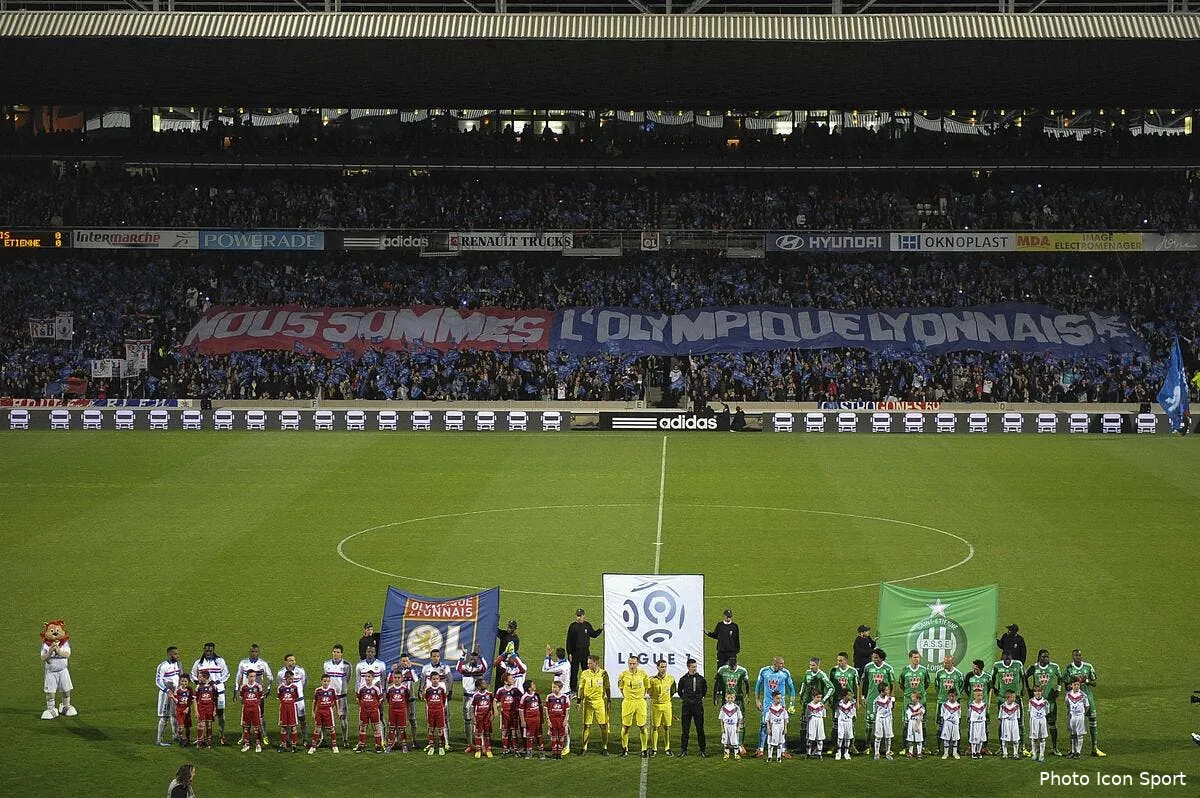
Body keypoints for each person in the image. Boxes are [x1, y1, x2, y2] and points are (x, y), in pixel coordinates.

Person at [1064, 648, 1105, 756]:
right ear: (1072, 657)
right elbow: (1066, 685)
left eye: (1079, 655)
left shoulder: (1088, 667)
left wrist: (1086, 681)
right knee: (1072, 726)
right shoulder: (1069, 668)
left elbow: (1094, 682)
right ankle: (1073, 750)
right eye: (1075, 655)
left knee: (1093, 720)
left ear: (1081, 656)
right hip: (1074, 700)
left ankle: (1095, 748)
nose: (1077, 657)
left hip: (1088, 697)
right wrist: (1075, 683)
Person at [753, 656, 796, 758]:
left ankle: (783, 750)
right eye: (781, 663)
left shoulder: (785, 673)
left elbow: (792, 689)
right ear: (775, 663)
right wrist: (757, 700)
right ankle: (761, 749)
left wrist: (792, 705)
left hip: (781, 704)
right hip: (767, 704)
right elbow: (758, 686)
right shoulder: (764, 671)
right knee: (764, 724)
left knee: (782, 725)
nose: (783, 665)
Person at [1024, 648, 1064, 757]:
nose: (1046, 659)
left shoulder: (1054, 667)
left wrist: (1058, 689)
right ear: (1039, 657)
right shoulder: (1033, 667)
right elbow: (1025, 676)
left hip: (1050, 702)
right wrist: (1028, 690)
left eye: (1047, 656)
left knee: (1052, 725)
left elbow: (1061, 677)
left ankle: (1055, 748)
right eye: (1043, 657)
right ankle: (1035, 748)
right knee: (1036, 726)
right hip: (1036, 703)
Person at [191, 643, 229, 746]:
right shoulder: (198, 663)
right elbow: (192, 675)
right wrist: (199, 683)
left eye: (210, 651)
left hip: (219, 692)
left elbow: (226, 674)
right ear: (204, 650)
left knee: (220, 714)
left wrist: (216, 682)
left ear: (213, 650)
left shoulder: (220, 661)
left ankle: (222, 736)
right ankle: (201, 738)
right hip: (203, 694)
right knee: (202, 716)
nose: (208, 653)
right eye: (207, 651)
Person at [234, 645, 272, 746]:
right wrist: (236, 689)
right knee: (245, 716)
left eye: (256, 652)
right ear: (249, 652)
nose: (254, 653)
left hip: (257, 694)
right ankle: (244, 737)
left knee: (261, 715)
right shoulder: (243, 663)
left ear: (258, 652)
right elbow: (239, 675)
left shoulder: (263, 663)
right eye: (252, 651)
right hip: (246, 693)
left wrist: (268, 689)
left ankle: (264, 735)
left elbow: (270, 677)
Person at [714, 655, 751, 754]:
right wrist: (716, 696)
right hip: (726, 700)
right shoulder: (722, 670)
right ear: (728, 664)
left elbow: (747, 684)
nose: (732, 669)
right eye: (730, 667)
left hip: (738, 699)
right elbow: (717, 683)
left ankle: (740, 744)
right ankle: (727, 744)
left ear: (736, 664)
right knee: (726, 721)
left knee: (740, 721)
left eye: (733, 667)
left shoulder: (742, 671)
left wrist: (747, 695)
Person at [862, 648, 895, 756]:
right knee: (869, 723)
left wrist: (892, 698)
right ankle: (868, 746)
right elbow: (864, 682)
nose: (873, 659)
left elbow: (892, 683)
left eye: (876, 657)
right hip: (871, 699)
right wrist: (863, 696)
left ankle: (885, 747)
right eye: (872, 657)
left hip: (884, 700)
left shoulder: (888, 668)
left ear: (881, 658)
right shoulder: (868, 667)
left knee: (886, 723)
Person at [991, 650, 1025, 755]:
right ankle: (1002, 747)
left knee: (1020, 723)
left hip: (1017, 698)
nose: (1007, 659)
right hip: (1002, 699)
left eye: (1008, 657)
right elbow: (991, 677)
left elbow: (1023, 677)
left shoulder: (1018, 664)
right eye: (1005, 657)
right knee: (1002, 722)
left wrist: (1023, 689)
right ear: (1002, 657)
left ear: (1011, 657)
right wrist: (994, 688)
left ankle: (1021, 747)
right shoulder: (997, 665)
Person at [617, 655, 652, 758]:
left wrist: (639, 696)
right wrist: (628, 697)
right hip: (628, 702)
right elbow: (621, 688)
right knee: (626, 727)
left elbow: (647, 687)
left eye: (634, 664)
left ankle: (644, 749)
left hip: (640, 702)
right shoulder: (623, 675)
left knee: (642, 726)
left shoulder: (643, 674)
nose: (632, 666)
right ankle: (624, 748)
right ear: (628, 664)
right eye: (630, 664)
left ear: (637, 664)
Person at [576, 655, 611, 755]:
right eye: (588, 663)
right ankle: (584, 748)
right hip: (588, 703)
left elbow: (607, 687)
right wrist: (579, 701)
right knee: (586, 726)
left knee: (603, 726)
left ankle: (604, 747)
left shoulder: (603, 673)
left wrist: (609, 700)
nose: (588, 665)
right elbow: (581, 688)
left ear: (596, 663)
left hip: (599, 702)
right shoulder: (584, 673)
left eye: (590, 663)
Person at [799, 656, 833, 755]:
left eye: (813, 665)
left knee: (815, 726)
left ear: (818, 665)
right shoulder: (807, 673)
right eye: (810, 665)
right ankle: (803, 746)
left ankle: (814, 747)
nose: (811, 667)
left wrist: (823, 700)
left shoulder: (821, 675)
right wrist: (801, 694)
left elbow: (831, 687)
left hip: (816, 706)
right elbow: (804, 683)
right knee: (803, 724)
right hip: (806, 703)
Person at [420, 649, 454, 749]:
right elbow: (422, 680)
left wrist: (450, 691)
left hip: (442, 696)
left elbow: (450, 679)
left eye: (437, 656)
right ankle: (431, 742)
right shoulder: (426, 667)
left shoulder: (445, 667)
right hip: (430, 697)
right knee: (430, 720)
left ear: (440, 657)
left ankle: (446, 742)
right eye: (434, 656)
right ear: (430, 657)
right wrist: (420, 690)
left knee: (445, 718)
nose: (436, 658)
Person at [456, 648, 488, 752]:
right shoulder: (464, 667)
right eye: (472, 658)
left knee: (479, 722)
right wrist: (462, 655)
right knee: (467, 721)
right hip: (467, 697)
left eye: (475, 658)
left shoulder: (480, 668)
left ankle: (482, 744)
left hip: (477, 698)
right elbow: (458, 668)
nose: (473, 660)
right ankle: (470, 744)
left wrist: (481, 656)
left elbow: (485, 667)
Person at [565, 609, 603, 695]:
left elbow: (593, 634)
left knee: (586, 670)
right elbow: (569, 641)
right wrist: (569, 653)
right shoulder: (572, 626)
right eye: (577, 616)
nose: (578, 617)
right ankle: (573, 688)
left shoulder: (587, 625)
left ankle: (588, 685)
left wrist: (600, 629)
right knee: (574, 671)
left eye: (580, 616)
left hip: (585, 652)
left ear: (583, 616)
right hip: (575, 652)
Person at [898, 650, 932, 742]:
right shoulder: (905, 670)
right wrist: (909, 694)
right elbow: (901, 684)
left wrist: (919, 695)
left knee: (923, 722)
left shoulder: (923, 670)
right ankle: (905, 746)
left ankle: (923, 746)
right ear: (910, 658)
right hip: (908, 700)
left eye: (918, 657)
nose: (917, 659)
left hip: (921, 700)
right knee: (906, 722)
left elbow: (927, 683)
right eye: (915, 657)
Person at [676, 657, 707, 758]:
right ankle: (683, 750)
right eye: (693, 667)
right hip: (687, 707)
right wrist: (686, 699)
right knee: (685, 730)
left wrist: (698, 698)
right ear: (688, 667)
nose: (695, 668)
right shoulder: (683, 679)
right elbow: (680, 691)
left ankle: (703, 750)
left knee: (700, 729)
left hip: (698, 707)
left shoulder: (701, 679)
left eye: (696, 667)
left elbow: (704, 690)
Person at [322, 644, 351, 746]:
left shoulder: (347, 665)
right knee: (325, 718)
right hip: (329, 696)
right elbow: (325, 679)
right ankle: (323, 739)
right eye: (334, 652)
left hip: (341, 696)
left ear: (342, 653)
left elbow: (347, 679)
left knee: (343, 718)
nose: (335, 654)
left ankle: (345, 739)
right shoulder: (326, 664)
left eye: (338, 652)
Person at [276, 654, 308, 743]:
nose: (292, 662)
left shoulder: (301, 671)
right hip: (288, 702)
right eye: (290, 660)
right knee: (288, 721)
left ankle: (304, 738)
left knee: (302, 719)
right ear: (285, 662)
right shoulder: (281, 673)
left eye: (293, 660)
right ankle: (288, 740)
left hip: (299, 700)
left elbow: (304, 683)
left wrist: (299, 693)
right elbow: (280, 685)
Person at [156, 646, 183, 747]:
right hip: (166, 694)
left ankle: (175, 735)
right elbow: (158, 681)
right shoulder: (163, 666)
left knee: (175, 715)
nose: (177, 656)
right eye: (175, 654)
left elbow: (181, 677)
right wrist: (167, 690)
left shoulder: (179, 664)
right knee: (165, 717)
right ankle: (159, 740)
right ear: (169, 654)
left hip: (176, 693)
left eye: (178, 653)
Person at [648, 658, 676, 757]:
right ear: (657, 667)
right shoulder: (652, 680)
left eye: (665, 667)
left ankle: (667, 748)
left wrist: (667, 699)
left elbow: (673, 690)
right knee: (655, 727)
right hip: (656, 705)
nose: (663, 669)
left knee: (667, 727)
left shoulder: (671, 678)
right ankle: (654, 749)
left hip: (667, 705)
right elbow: (649, 691)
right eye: (661, 667)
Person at [933, 655, 965, 743]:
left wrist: (956, 697)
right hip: (942, 701)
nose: (945, 664)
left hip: (955, 703)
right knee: (940, 724)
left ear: (953, 663)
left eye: (947, 663)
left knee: (955, 723)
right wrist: (940, 695)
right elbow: (936, 686)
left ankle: (955, 747)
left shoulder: (958, 674)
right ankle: (939, 747)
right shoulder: (939, 673)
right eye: (944, 662)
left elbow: (961, 687)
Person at [392, 655, 420, 750]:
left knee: (412, 720)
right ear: (400, 662)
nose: (405, 663)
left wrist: (410, 668)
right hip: (400, 700)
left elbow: (416, 679)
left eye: (406, 661)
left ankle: (414, 741)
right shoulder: (396, 672)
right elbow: (390, 683)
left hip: (410, 699)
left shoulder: (411, 671)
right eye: (403, 661)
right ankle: (397, 741)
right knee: (398, 721)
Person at [966, 659, 993, 756]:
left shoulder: (987, 677)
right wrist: (971, 698)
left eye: (976, 668)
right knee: (970, 726)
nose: (973, 670)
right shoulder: (969, 676)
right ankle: (970, 747)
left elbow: (990, 688)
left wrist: (984, 700)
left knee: (985, 727)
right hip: (972, 705)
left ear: (980, 668)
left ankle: (984, 747)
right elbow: (966, 687)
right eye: (973, 668)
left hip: (983, 706)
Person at [307, 674, 340, 754]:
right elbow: (314, 701)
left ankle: (334, 746)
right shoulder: (318, 690)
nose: (326, 683)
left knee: (331, 729)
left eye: (328, 681)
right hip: (319, 711)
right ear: (321, 681)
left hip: (328, 711)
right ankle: (313, 746)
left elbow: (336, 701)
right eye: (324, 681)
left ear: (330, 681)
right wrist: (313, 711)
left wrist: (338, 711)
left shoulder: (332, 690)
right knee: (317, 729)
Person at [494, 671, 524, 756]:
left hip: (514, 714)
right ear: (506, 682)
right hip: (504, 715)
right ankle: (505, 749)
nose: (513, 679)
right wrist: (496, 710)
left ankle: (515, 749)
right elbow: (495, 700)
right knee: (505, 732)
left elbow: (522, 699)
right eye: (511, 679)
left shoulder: (516, 690)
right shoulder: (501, 690)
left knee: (514, 732)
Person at [354, 671, 384, 754]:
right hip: (364, 711)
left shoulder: (376, 689)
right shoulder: (361, 688)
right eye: (366, 676)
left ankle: (378, 746)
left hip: (374, 711)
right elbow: (358, 699)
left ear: (373, 678)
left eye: (369, 677)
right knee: (362, 727)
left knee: (376, 728)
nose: (367, 678)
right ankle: (361, 745)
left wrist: (374, 707)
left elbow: (380, 700)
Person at [384, 670, 413, 753]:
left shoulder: (405, 688)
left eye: (398, 678)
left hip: (402, 711)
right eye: (395, 677)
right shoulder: (390, 688)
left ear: (402, 678)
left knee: (402, 728)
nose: (397, 679)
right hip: (392, 711)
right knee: (392, 728)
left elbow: (407, 700)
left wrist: (407, 711)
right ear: (393, 678)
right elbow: (388, 699)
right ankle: (390, 745)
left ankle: (404, 745)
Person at [705, 609, 740, 675]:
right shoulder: (720, 625)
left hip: (731, 652)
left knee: (732, 669)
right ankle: (719, 684)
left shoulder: (734, 626)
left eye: (730, 616)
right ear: (724, 616)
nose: (729, 618)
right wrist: (708, 633)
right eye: (728, 616)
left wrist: (736, 651)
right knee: (720, 669)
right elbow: (716, 635)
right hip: (721, 652)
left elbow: (737, 639)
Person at [238, 670, 264, 753]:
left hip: (255, 709)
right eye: (251, 676)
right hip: (246, 709)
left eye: (254, 676)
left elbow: (260, 698)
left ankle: (258, 744)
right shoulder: (243, 687)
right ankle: (246, 744)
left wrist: (255, 704)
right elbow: (241, 698)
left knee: (257, 727)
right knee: (246, 727)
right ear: (247, 677)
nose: (253, 678)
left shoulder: (258, 686)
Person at [519, 679, 546, 759]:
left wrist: (542, 718)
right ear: (529, 688)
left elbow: (540, 707)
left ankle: (541, 752)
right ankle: (529, 752)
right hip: (529, 720)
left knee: (539, 736)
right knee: (529, 736)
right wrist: (523, 721)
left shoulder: (537, 695)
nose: (535, 685)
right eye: (533, 684)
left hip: (537, 719)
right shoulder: (524, 697)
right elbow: (521, 710)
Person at [423, 670, 448, 756]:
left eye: (437, 679)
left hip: (439, 711)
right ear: (430, 679)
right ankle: (432, 746)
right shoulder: (428, 690)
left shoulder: (441, 689)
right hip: (431, 711)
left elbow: (444, 700)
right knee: (431, 729)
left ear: (439, 679)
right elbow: (426, 699)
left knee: (440, 729)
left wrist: (440, 707)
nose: (435, 680)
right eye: (434, 679)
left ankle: (441, 747)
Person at [468, 677, 494, 758]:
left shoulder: (489, 694)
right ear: (478, 687)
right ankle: (478, 750)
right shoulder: (476, 696)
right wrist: (473, 718)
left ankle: (488, 749)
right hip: (479, 717)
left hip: (487, 717)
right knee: (478, 734)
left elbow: (492, 705)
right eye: (483, 683)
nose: (485, 684)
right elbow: (472, 707)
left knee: (487, 733)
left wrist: (492, 714)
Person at [1064, 679, 1090, 759]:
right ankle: (1072, 751)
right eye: (1074, 685)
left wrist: (1082, 714)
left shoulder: (1083, 695)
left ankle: (1078, 752)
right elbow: (1067, 704)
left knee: (1079, 734)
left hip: (1080, 716)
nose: (1076, 686)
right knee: (1072, 734)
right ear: (1071, 685)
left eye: (1078, 685)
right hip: (1072, 716)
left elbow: (1087, 706)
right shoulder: (1068, 694)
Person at [545, 679, 571, 759]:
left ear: (560, 688)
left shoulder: (564, 697)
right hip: (553, 720)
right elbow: (546, 709)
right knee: (553, 736)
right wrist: (548, 720)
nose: (553, 689)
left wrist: (565, 720)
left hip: (561, 719)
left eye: (555, 687)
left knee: (561, 736)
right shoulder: (549, 697)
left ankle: (559, 753)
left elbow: (567, 710)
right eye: (552, 687)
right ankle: (554, 753)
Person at [276, 673, 301, 753]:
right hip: (283, 709)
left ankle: (294, 745)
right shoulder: (281, 688)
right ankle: (283, 745)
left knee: (293, 727)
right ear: (285, 678)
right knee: (283, 728)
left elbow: (296, 697)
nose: (292, 680)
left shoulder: (294, 687)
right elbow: (279, 698)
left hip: (292, 709)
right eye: (290, 679)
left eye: (292, 679)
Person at [194, 670, 218, 749]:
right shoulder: (198, 687)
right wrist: (196, 711)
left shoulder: (213, 686)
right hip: (201, 708)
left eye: (200, 676)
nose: (199, 678)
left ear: (205, 677)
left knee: (209, 725)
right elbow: (195, 699)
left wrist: (215, 710)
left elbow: (215, 699)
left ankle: (209, 741)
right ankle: (199, 741)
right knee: (201, 725)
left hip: (210, 708)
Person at [872, 684, 895, 760]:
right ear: (882, 691)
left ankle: (888, 753)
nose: (888, 691)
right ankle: (876, 753)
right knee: (878, 737)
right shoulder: (876, 700)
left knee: (888, 737)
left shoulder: (889, 699)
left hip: (887, 719)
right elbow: (875, 711)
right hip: (879, 719)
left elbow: (890, 709)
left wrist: (891, 719)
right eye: (887, 690)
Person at [718, 692, 744, 760]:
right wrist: (722, 728)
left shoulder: (736, 707)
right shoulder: (723, 707)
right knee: (726, 741)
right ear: (726, 698)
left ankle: (736, 754)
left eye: (731, 698)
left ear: (734, 698)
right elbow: (721, 719)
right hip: (726, 726)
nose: (730, 699)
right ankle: (726, 754)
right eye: (728, 698)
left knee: (735, 741)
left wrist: (738, 727)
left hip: (733, 726)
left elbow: (740, 718)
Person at [766, 692, 790, 762]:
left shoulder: (782, 708)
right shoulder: (770, 709)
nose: (779, 700)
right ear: (773, 698)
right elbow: (767, 720)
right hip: (773, 727)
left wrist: (785, 728)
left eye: (780, 698)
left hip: (781, 727)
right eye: (777, 698)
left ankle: (778, 757)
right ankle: (769, 757)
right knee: (770, 743)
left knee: (780, 742)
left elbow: (785, 719)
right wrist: (768, 728)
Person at [172, 674, 195, 749]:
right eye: (182, 681)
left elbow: (192, 700)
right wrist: (172, 697)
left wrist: (188, 707)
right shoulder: (177, 690)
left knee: (187, 727)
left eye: (185, 681)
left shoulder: (190, 690)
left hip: (187, 711)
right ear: (180, 681)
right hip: (180, 711)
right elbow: (177, 701)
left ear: (188, 682)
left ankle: (187, 740)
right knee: (180, 727)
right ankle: (181, 739)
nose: (184, 683)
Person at [833, 688, 856, 760]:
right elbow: (836, 713)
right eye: (848, 695)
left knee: (848, 737)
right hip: (841, 722)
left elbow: (853, 713)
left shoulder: (851, 704)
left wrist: (853, 718)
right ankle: (838, 752)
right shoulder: (839, 704)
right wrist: (836, 719)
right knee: (840, 737)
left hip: (848, 722)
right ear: (844, 696)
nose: (850, 697)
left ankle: (846, 752)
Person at [999, 689, 1022, 759]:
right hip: (1006, 723)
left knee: (1015, 739)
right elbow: (1000, 717)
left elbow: (1018, 716)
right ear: (1007, 698)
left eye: (1014, 697)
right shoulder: (1003, 706)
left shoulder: (1017, 706)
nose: (1014, 699)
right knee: (1004, 739)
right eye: (1012, 697)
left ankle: (1015, 753)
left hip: (1014, 723)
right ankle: (1005, 753)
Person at [1028, 685, 1049, 762]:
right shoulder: (1031, 701)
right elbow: (1029, 711)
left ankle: (1041, 754)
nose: (1038, 693)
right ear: (1034, 692)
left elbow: (1047, 711)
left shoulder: (1045, 702)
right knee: (1034, 738)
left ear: (1042, 692)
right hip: (1034, 720)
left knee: (1042, 738)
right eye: (1036, 691)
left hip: (1042, 720)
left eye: (1039, 691)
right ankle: (1034, 753)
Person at [939, 688, 961, 760]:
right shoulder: (944, 705)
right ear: (948, 696)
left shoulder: (958, 705)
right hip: (947, 723)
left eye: (953, 696)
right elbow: (942, 715)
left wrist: (957, 723)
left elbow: (959, 715)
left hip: (955, 724)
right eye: (950, 696)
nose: (951, 698)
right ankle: (946, 752)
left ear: (956, 696)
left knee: (955, 738)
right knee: (946, 738)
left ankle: (955, 752)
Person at [968, 686, 988, 759]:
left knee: (981, 738)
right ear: (974, 696)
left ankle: (978, 752)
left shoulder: (984, 705)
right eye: (978, 695)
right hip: (974, 724)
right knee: (974, 738)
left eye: (981, 695)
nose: (980, 697)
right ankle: (973, 752)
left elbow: (985, 713)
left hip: (982, 723)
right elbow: (969, 714)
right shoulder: (972, 705)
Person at [804, 691, 826, 759]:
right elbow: (807, 715)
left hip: (819, 721)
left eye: (820, 697)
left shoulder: (822, 705)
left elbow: (824, 715)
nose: (819, 699)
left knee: (820, 738)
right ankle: (808, 753)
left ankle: (819, 754)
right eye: (818, 697)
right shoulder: (809, 705)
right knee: (810, 738)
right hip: (812, 721)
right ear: (813, 697)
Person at [904, 692, 926, 759]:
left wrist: (917, 725)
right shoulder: (909, 706)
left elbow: (921, 717)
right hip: (911, 723)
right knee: (910, 739)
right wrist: (918, 712)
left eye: (913, 697)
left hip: (918, 723)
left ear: (918, 699)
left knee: (919, 739)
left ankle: (919, 752)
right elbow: (909, 715)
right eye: (912, 697)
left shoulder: (921, 707)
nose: (912, 698)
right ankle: (910, 752)